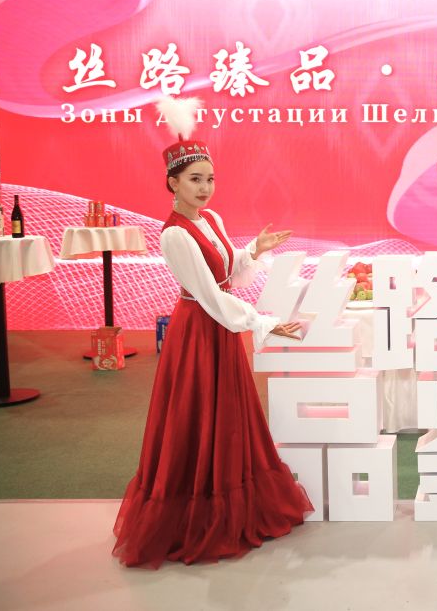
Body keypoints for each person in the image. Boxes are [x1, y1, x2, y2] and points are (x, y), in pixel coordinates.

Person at [113, 97, 312, 568]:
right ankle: (197, 518)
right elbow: (207, 294)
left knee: (228, 417)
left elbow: (229, 273)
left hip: (220, 327)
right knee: (198, 417)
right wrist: (263, 322)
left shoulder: (213, 220)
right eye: (194, 180)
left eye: (209, 179)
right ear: (172, 183)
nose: (205, 188)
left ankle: (234, 506)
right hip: (198, 333)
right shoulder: (174, 234)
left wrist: (254, 251)